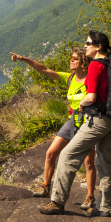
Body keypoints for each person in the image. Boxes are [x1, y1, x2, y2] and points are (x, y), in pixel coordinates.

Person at [38, 31, 111, 217]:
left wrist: (82, 105)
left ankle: (57, 202)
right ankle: (104, 208)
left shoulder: (95, 65)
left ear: (99, 47)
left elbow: (90, 96)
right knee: (105, 162)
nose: (85, 45)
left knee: (67, 155)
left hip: (98, 119)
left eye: (89, 43)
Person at [9, 49, 97, 210]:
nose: (70, 60)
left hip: (87, 121)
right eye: (71, 58)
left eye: (74, 59)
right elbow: (44, 69)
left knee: (88, 162)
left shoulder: (90, 80)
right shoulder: (69, 78)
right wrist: (25, 59)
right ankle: (45, 187)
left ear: (83, 62)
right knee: (51, 153)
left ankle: (90, 197)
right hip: (72, 120)